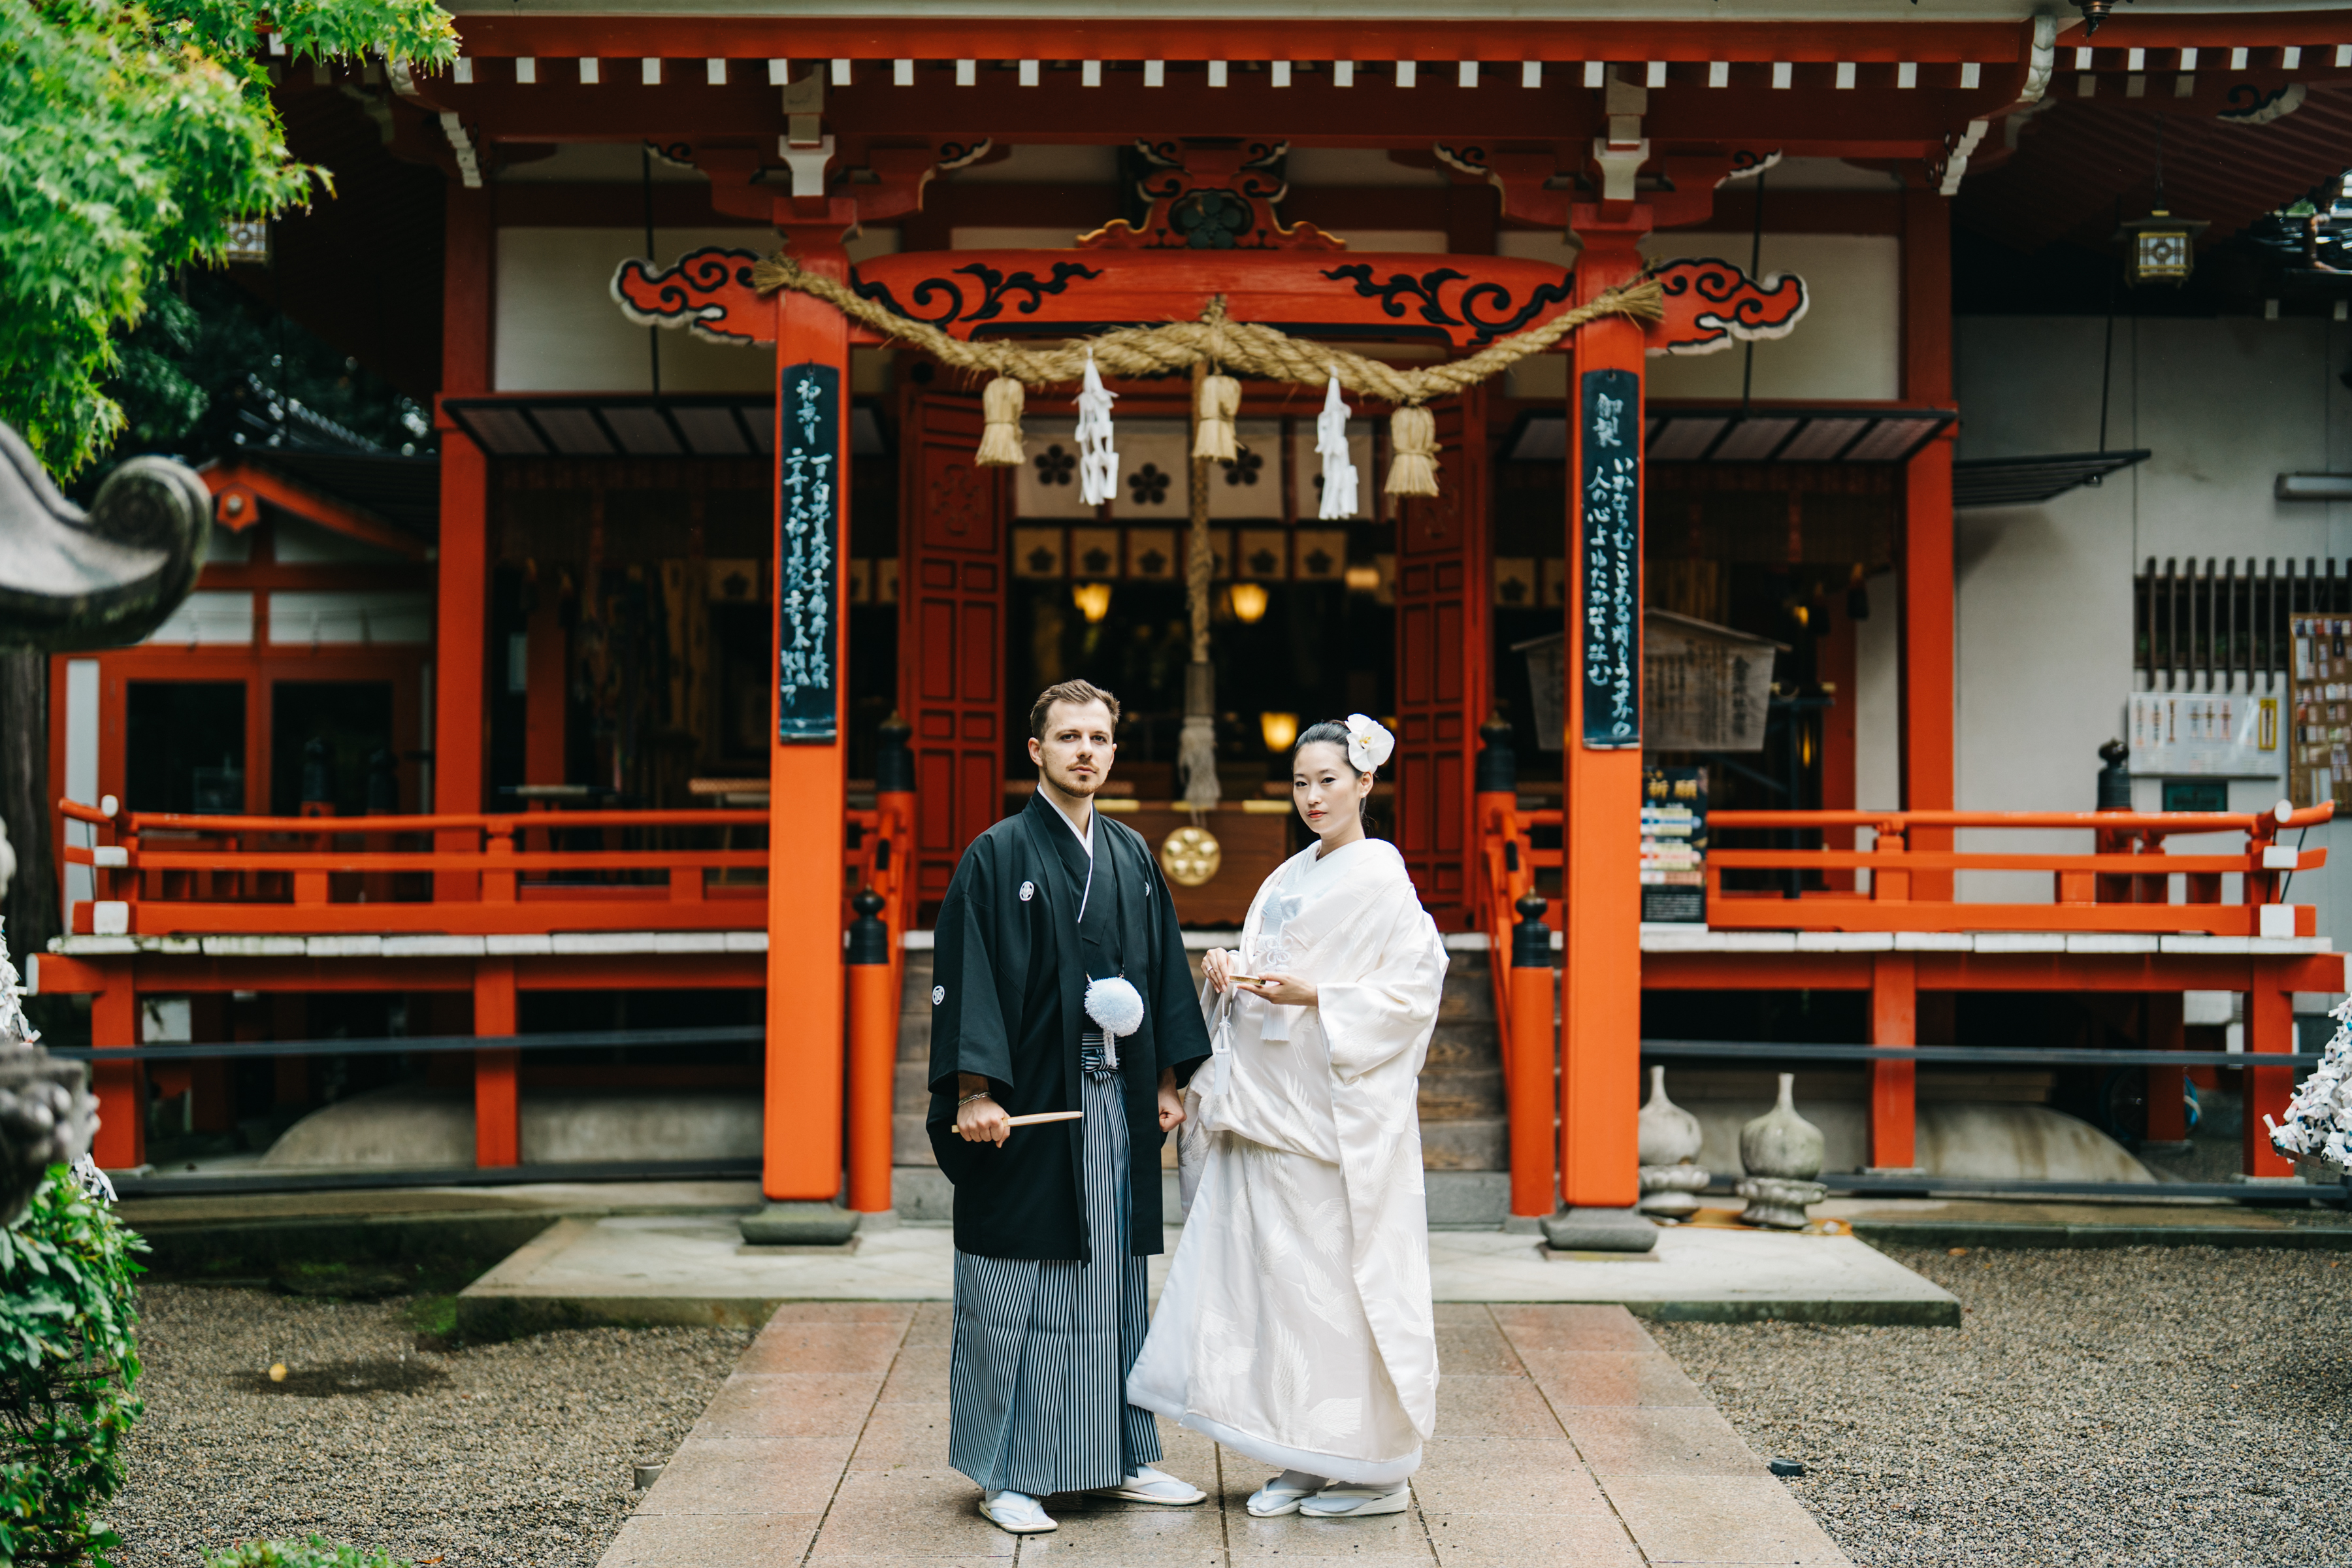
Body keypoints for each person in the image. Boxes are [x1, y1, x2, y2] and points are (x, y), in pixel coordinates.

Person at [1128, 714, 1446, 1520]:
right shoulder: (1287, 874)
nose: (1312, 797)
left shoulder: (1382, 876)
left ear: (1366, 783)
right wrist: (1228, 972)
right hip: (1269, 1104)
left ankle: (1374, 1468)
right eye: (1301, 783)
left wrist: (1320, 997)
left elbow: (1415, 989)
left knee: (1337, 1290)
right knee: (1278, 1292)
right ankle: (1300, 1455)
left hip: (1329, 1118)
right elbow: (1273, 962)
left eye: (1328, 781)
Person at [927, 679, 1215, 1535]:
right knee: (1015, 1285)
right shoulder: (997, 855)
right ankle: (1005, 1471)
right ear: (1036, 751)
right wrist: (973, 1091)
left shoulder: (1129, 854)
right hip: (1030, 1104)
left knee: (1111, 1283)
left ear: (1114, 752)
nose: (1086, 750)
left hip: (1115, 1098)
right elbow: (970, 973)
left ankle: (1117, 1457)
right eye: (1069, 737)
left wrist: (1167, 1080)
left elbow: (1161, 970)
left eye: (1099, 737)